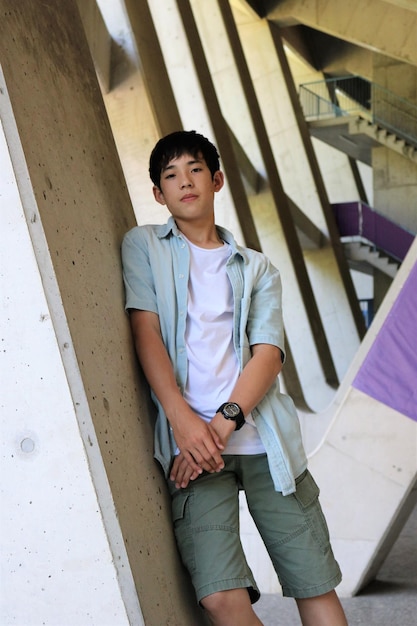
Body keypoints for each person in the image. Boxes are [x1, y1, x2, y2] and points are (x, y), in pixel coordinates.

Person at [121, 130, 348, 626]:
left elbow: (268, 356)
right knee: (221, 598)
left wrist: (219, 428)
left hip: (266, 447)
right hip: (191, 455)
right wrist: (184, 425)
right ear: (159, 194)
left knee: (315, 586)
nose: (185, 181)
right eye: (170, 175)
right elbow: (146, 333)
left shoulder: (258, 267)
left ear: (217, 179)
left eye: (196, 169)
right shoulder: (144, 246)